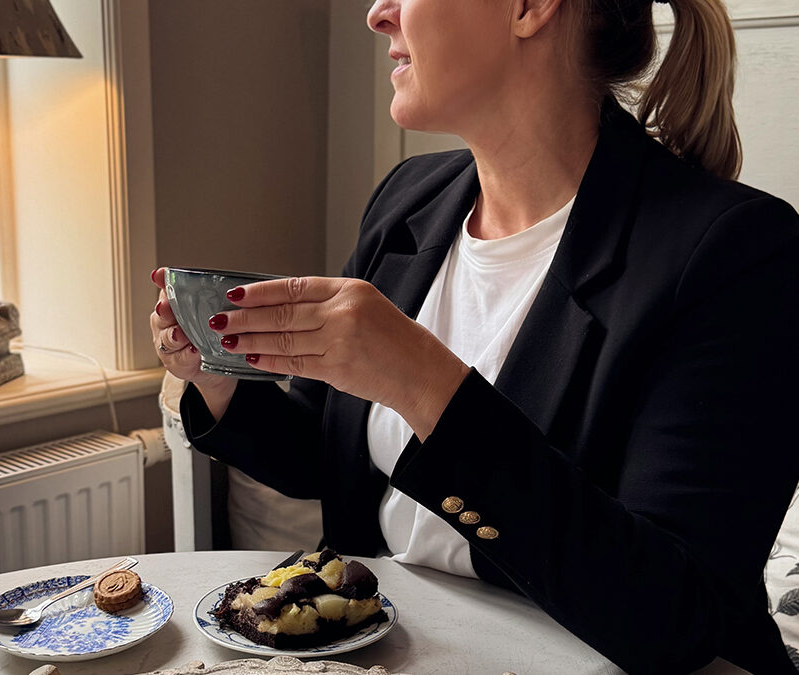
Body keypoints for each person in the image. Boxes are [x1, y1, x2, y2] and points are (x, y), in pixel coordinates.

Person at [150, 0, 799, 671]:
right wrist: (217, 379)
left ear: (528, 8)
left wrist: (423, 380)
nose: (377, 14)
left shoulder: (738, 252)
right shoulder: (406, 200)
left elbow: (675, 616)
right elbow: (322, 455)